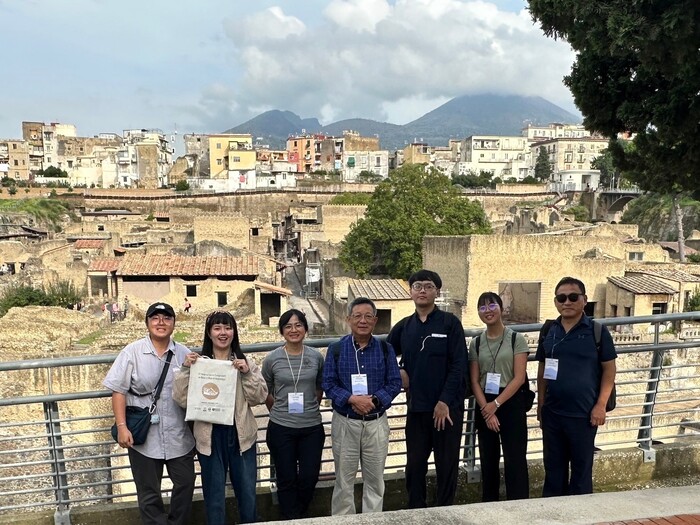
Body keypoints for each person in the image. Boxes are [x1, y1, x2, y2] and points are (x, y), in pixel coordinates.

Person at [103, 302, 195, 525]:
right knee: (148, 493)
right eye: (155, 318)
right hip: (144, 435)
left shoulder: (184, 354)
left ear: (174, 323)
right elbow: (118, 390)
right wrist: (122, 427)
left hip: (178, 434)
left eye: (166, 318)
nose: (160, 322)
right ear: (147, 323)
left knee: (185, 483)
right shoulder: (132, 352)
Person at [173, 310, 267, 524]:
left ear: (234, 332)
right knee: (214, 497)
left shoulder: (246, 363)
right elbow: (180, 398)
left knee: (247, 495)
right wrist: (186, 370)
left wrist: (246, 373)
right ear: (209, 333)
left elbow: (260, 396)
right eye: (217, 328)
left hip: (241, 435)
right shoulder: (198, 365)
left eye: (227, 327)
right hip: (209, 437)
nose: (223, 333)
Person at [386, 269, 467, 508]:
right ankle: (416, 512)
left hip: (447, 410)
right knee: (415, 466)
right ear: (410, 291)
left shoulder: (450, 323)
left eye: (428, 286)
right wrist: (398, 369)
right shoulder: (404, 326)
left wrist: (444, 402)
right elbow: (385, 354)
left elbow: (459, 365)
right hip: (417, 409)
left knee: (447, 467)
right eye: (417, 286)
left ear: (437, 292)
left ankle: (444, 512)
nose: (422, 290)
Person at [536, 277, 617, 496]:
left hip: (583, 415)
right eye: (561, 298)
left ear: (584, 300)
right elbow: (543, 370)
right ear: (556, 302)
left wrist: (600, 405)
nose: (567, 302)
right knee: (553, 472)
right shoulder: (549, 331)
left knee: (581, 474)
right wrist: (541, 405)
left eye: (573, 297)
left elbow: (609, 371)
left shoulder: (597, 332)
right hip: (553, 413)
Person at [322, 297, 402, 515]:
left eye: (368, 316)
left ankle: (372, 520)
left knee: (375, 482)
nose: (363, 321)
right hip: (346, 423)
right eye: (357, 316)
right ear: (348, 319)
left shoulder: (386, 349)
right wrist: (351, 399)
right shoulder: (336, 349)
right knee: (343, 482)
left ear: (375, 320)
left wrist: (374, 400)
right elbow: (328, 383)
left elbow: (395, 383)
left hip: (376, 424)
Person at [262, 309, 325, 519]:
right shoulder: (272, 359)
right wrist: (279, 410)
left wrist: (308, 408)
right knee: (286, 478)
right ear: (281, 331)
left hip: (311, 427)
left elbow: (318, 388)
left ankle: (299, 514)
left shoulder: (316, 357)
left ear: (306, 329)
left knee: (309, 476)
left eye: (298, 325)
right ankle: (292, 519)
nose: (294, 330)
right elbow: (266, 390)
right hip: (281, 428)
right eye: (288, 326)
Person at [469, 292, 530, 501]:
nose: (488, 310)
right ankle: (490, 507)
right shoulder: (476, 343)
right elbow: (475, 380)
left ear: (501, 308)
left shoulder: (516, 339)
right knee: (488, 461)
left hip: (510, 401)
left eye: (491, 305)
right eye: (482, 307)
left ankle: (518, 506)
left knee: (516, 461)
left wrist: (496, 404)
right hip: (484, 402)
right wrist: (487, 409)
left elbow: (519, 377)